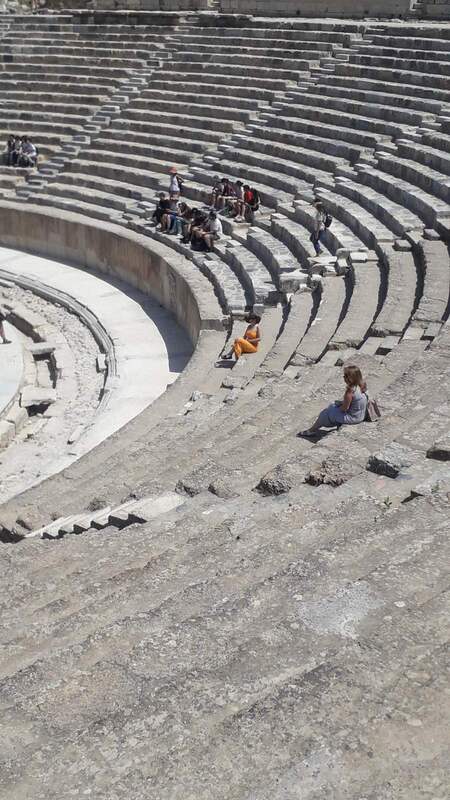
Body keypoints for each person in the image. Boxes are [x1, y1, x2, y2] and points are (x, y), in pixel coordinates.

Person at [300, 365, 368, 437]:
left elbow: (344, 409)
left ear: (350, 378)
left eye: (345, 376)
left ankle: (311, 430)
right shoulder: (361, 385)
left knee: (325, 413)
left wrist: (335, 408)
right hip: (361, 415)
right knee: (333, 407)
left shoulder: (350, 391)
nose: (343, 377)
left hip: (354, 418)